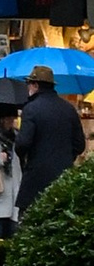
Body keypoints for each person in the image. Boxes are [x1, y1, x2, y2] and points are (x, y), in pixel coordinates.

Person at [17, 63, 86, 211]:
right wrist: (66, 158)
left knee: (30, 222)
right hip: (64, 177)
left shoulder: (31, 109)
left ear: (35, 85)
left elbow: (23, 143)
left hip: (36, 178)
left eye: (28, 83)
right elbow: (80, 144)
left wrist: (24, 159)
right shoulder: (68, 109)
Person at [0, 101, 23, 240]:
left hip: (15, 195)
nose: (12, 123)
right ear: (1, 119)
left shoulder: (17, 136)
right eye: (10, 119)